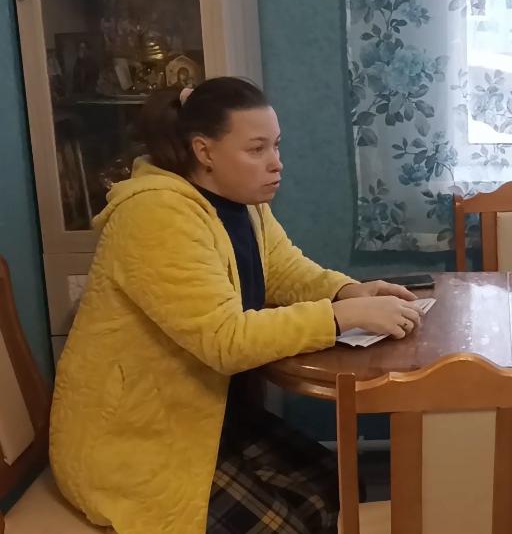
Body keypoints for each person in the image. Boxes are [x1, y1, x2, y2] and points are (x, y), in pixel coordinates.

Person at [49, 77, 423, 534]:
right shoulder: (154, 215)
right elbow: (224, 340)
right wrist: (338, 317)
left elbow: (284, 270)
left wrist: (349, 291)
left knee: (338, 488)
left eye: (276, 146)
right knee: (290, 524)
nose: (276, 163)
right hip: (137, 438)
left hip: (210, 414)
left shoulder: (243, 202)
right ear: (204, 152)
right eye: (256, 149)